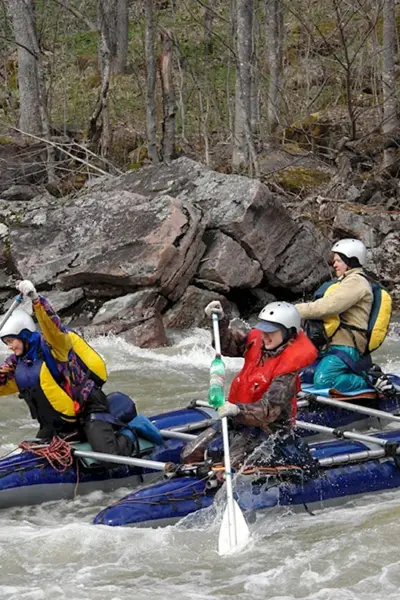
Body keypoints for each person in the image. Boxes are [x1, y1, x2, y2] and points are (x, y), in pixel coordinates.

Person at [0, 280, 134, 462]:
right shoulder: (17, 363)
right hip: (57, 424)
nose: (9, 347)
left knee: (109, 458)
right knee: (30, 455)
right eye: (5, 343)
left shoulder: (55, 347)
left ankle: (134, 436)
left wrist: (37, 302)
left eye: (10, 341)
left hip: (88, 408)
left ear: (24, 336)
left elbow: (53, 327)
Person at [182, 301, 318, 472]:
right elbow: (227, 346)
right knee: (189, 455)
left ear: (287, 332)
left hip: (268, 430)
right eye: (264, 330)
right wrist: (220, 321)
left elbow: (268, 411)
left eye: (272, 332)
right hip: (238, 419)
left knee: (231, 464)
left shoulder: (287, 371)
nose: (266, 336)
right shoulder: (257, 341)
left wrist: (237, 410)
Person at [296, 238, 394, 395]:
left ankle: (370, 379)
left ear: (352, 261)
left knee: (323, 381)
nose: (334, 264)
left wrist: (293, 311)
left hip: (346, 347)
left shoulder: (356, 282)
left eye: (339, 261)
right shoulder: (345, 282)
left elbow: (328, 307)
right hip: (330, 345)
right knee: (302, 374)